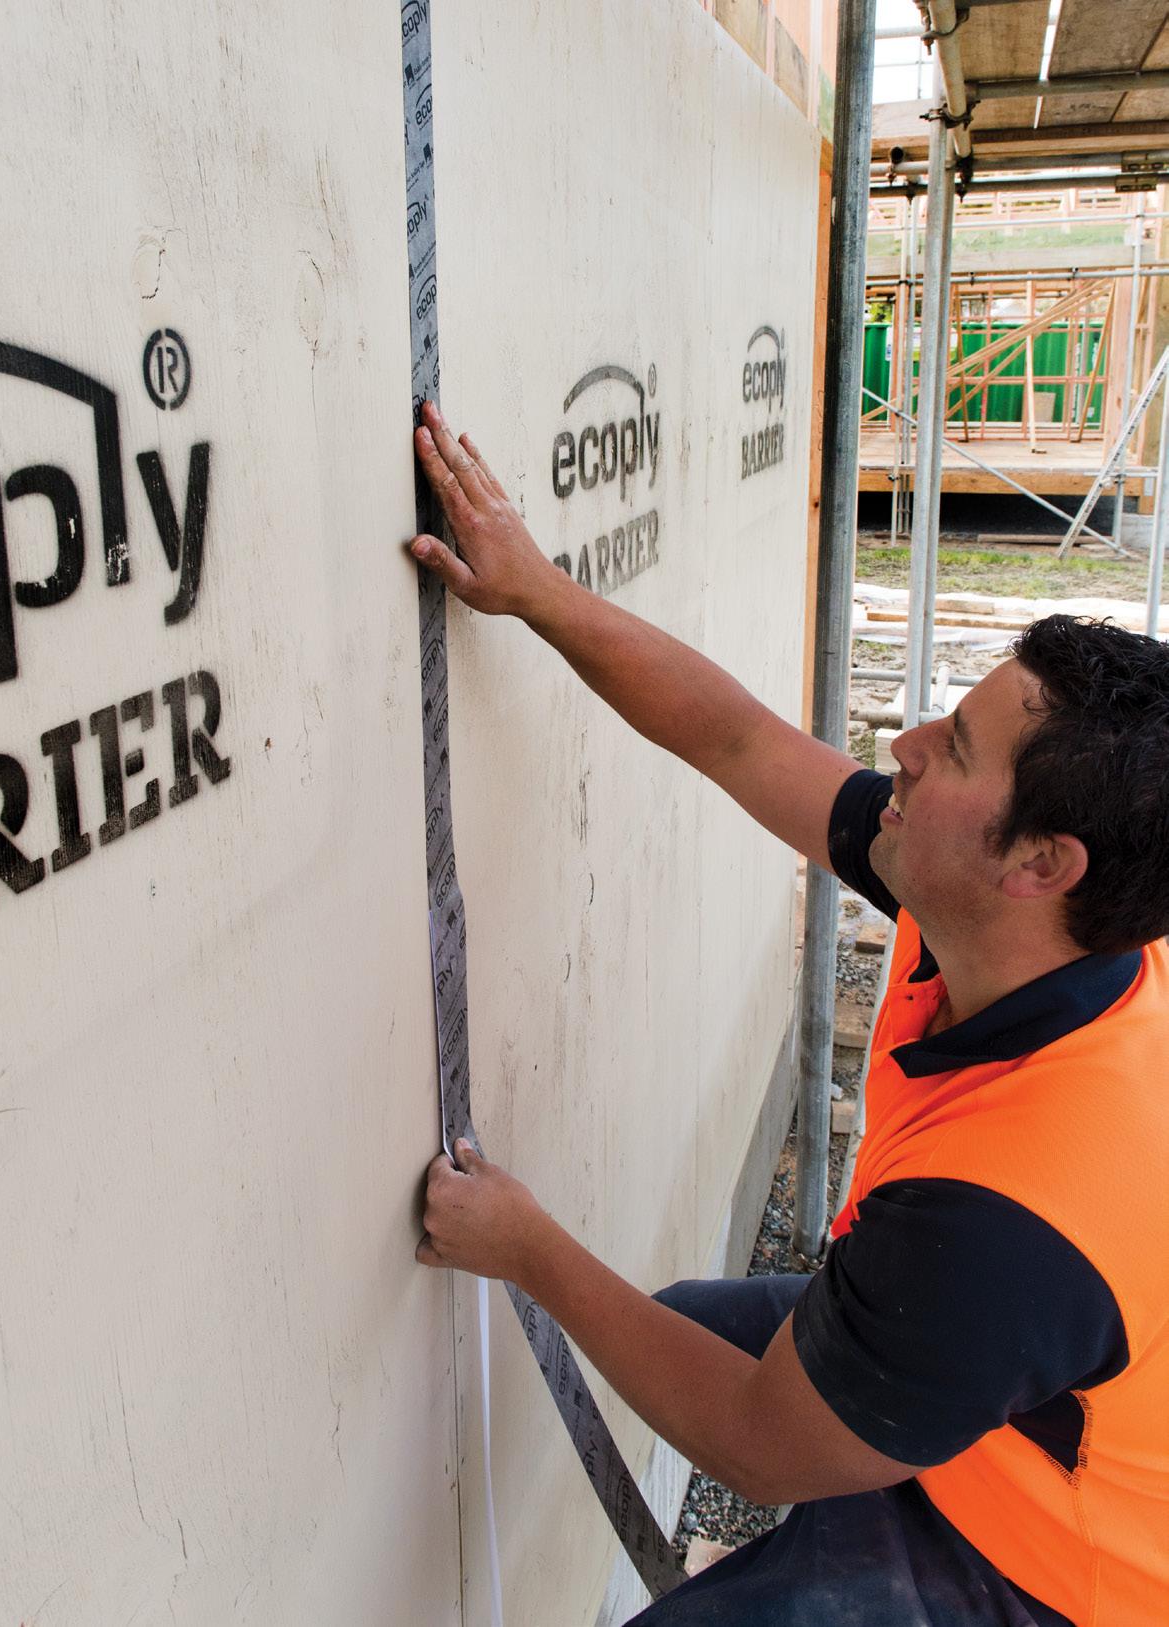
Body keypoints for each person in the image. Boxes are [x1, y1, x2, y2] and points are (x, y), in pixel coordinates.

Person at [407, 402, 1169, 1627]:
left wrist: (527, 1244)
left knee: (742, 1440)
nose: (904, 743)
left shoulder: (1011, 1220)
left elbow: (758, 1448)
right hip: (1006, 1398)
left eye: (956, 748)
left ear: (1042, 863)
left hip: (1057, 1571)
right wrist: (538, 592)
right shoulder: (1022, 924)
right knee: (683, 1334)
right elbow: (737, 739)